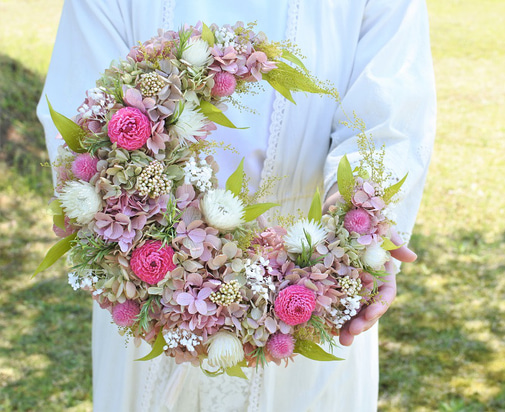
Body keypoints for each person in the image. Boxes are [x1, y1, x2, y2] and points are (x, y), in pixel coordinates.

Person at [38, 0, 436, 410]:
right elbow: (85, 106)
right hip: (146, 264)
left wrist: (357, 227)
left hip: (309, 281)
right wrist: (145, 246)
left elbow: (389, 114)